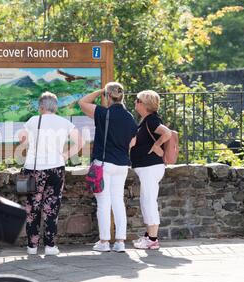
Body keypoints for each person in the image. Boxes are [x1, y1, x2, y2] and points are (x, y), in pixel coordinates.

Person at [18, 92, 83, 256]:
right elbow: (80, 141)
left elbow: (21, 138)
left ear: (41, 107)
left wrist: (30, 143)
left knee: (32, 207)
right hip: (56, 167)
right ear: (55, 107)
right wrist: (66, 155)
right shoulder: (64, 122)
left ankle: (32, 247)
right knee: (51, 207)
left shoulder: (33, 120)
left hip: (34, 168)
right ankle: (50, 246)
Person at [79, 82, 137, 253]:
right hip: (122, 165)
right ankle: (120, 241)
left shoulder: (104, 113)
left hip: (104, 163)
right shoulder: (129, 117)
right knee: (118, 201)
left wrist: (100, 91)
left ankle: (104, 241)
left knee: (104, 202)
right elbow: (133, 142)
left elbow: (82, 103)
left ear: (108, 96)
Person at [130, 90, 172, 250]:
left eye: (137, 100)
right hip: (148, 167)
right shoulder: (146, 120)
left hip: (150, 167)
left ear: (143, 104)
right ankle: (149, 236)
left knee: (149, 201)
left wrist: (156, 145)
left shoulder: (151, 121)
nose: (135, 102)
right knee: (146, 200)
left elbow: (166, 133)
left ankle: (153, 239)